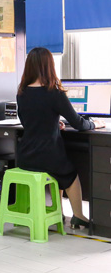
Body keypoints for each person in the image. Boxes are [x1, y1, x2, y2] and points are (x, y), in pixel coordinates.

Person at [16, 47, 105, 229]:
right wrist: (95, 124)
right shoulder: (54, 93)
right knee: (69, 174)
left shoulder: (22, 93)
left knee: (59, 169)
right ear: (49, 66)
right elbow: (79, 123)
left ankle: (58, 213)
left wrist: (53, 123)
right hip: (46, 155)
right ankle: (78, 216)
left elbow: (28, 122)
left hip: (25, 156)